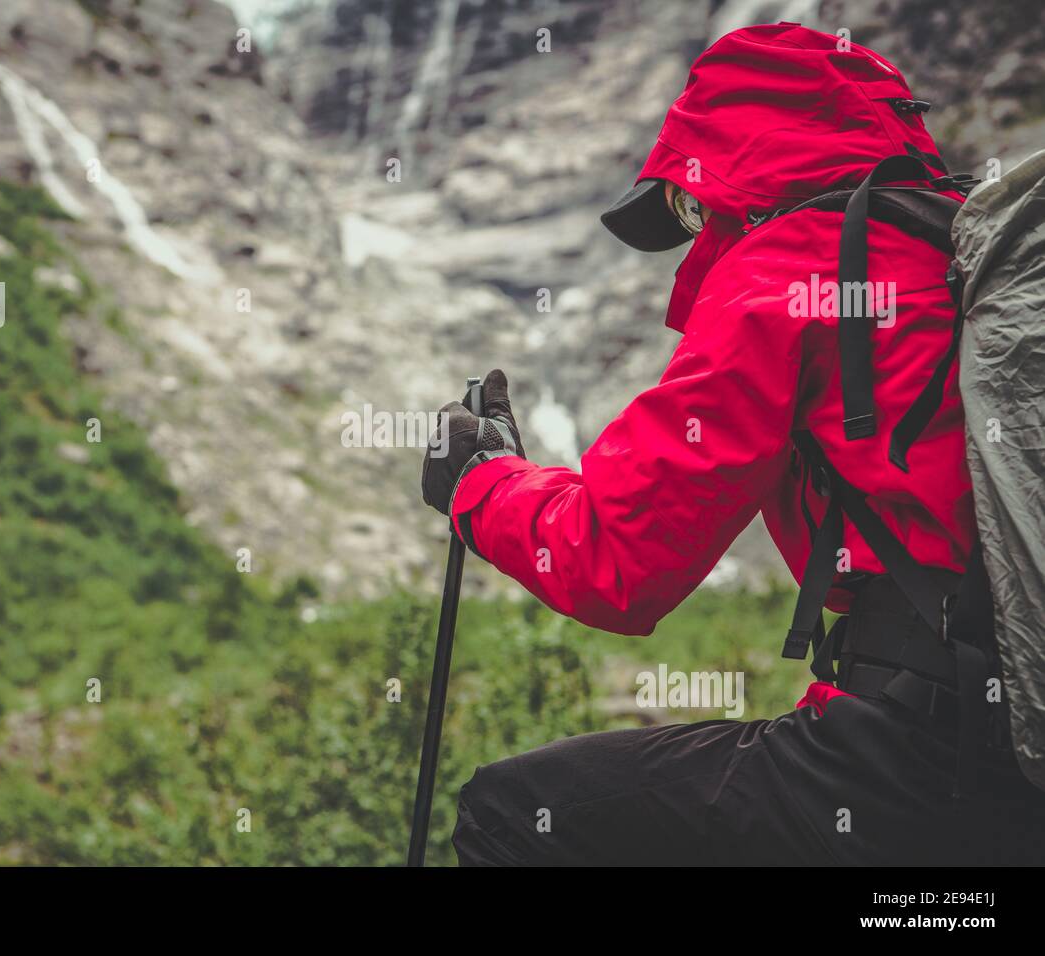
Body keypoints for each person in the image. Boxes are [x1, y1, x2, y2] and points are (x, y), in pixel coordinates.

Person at [420, 22, 1045, 865]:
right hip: (1019, 735)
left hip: (913, 749)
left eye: (688, 201)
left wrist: (481, 482)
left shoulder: (785, 267)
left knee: (513, 811)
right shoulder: (968, 250)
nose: (695, 225)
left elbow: (617, 561)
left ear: (733, 170)